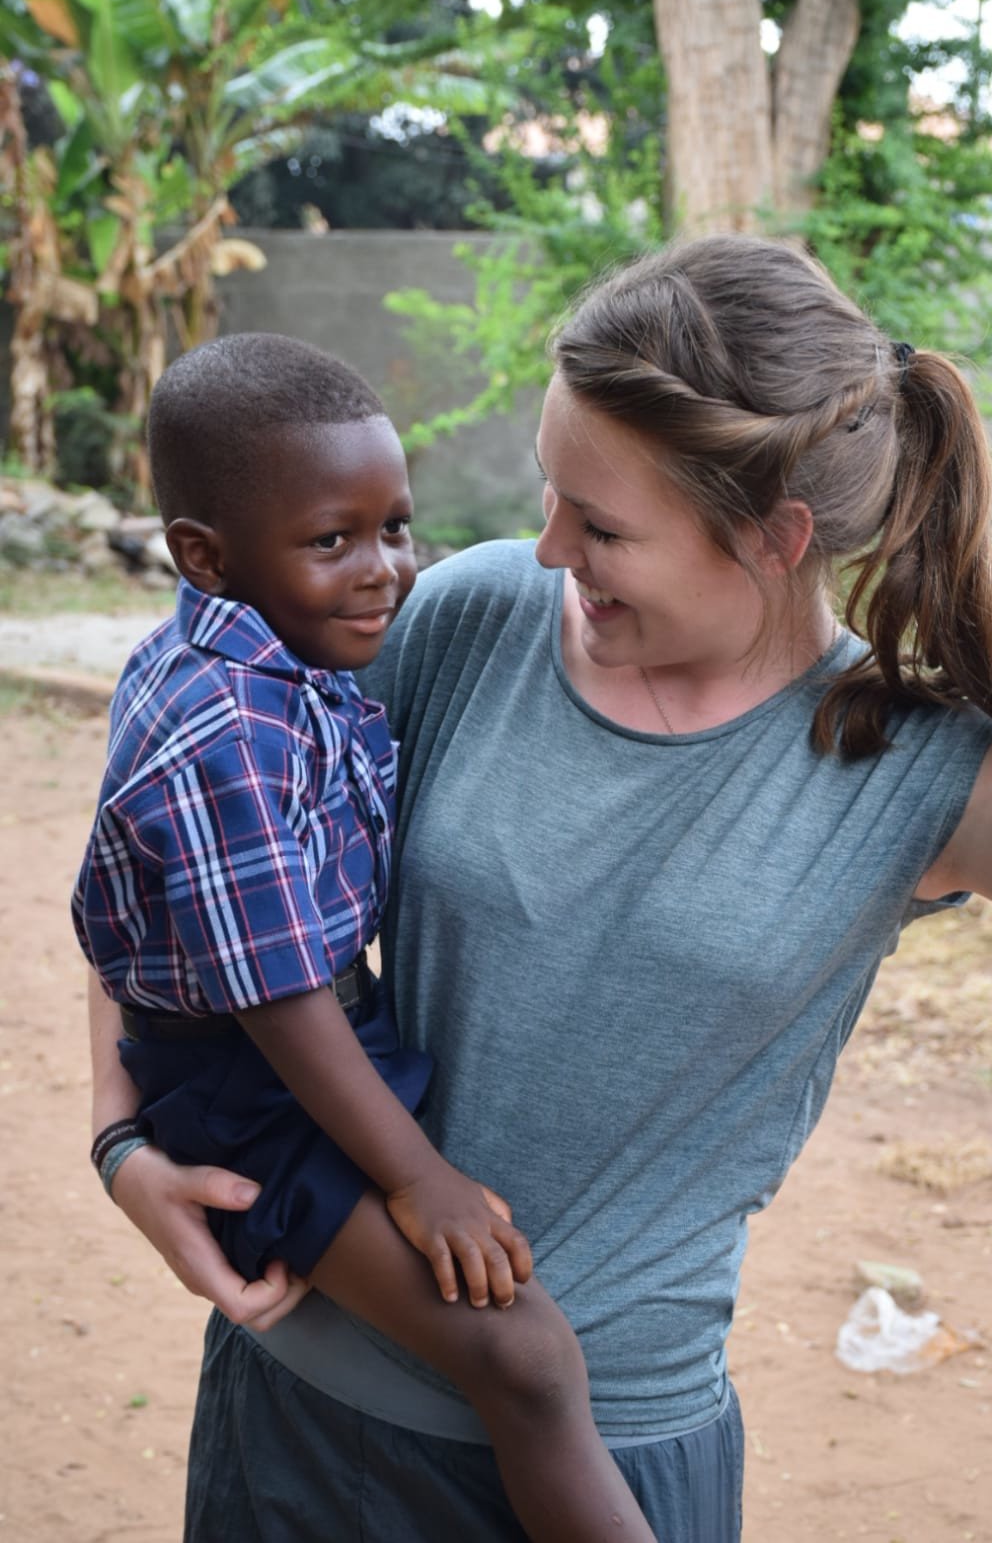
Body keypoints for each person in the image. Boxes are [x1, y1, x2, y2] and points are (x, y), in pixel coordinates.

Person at [88, 237, 992, 1543]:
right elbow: (184, 841)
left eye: (599, 524)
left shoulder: (921, 765)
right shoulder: (471, 615)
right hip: (302, 1416)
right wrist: (121, 1139)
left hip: (602, 1462)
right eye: (551, 495)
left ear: (773, 538)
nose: (547, 547)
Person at [74, 332, 658, 1543]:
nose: (385, 568)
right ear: (205, 554)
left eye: (396, 525)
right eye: (331, 540)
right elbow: (279, 997)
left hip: (316, 1036)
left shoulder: (280, 651)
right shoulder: (223, 729)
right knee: (529, 1361)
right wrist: (419, 1179)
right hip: (250, 1084)